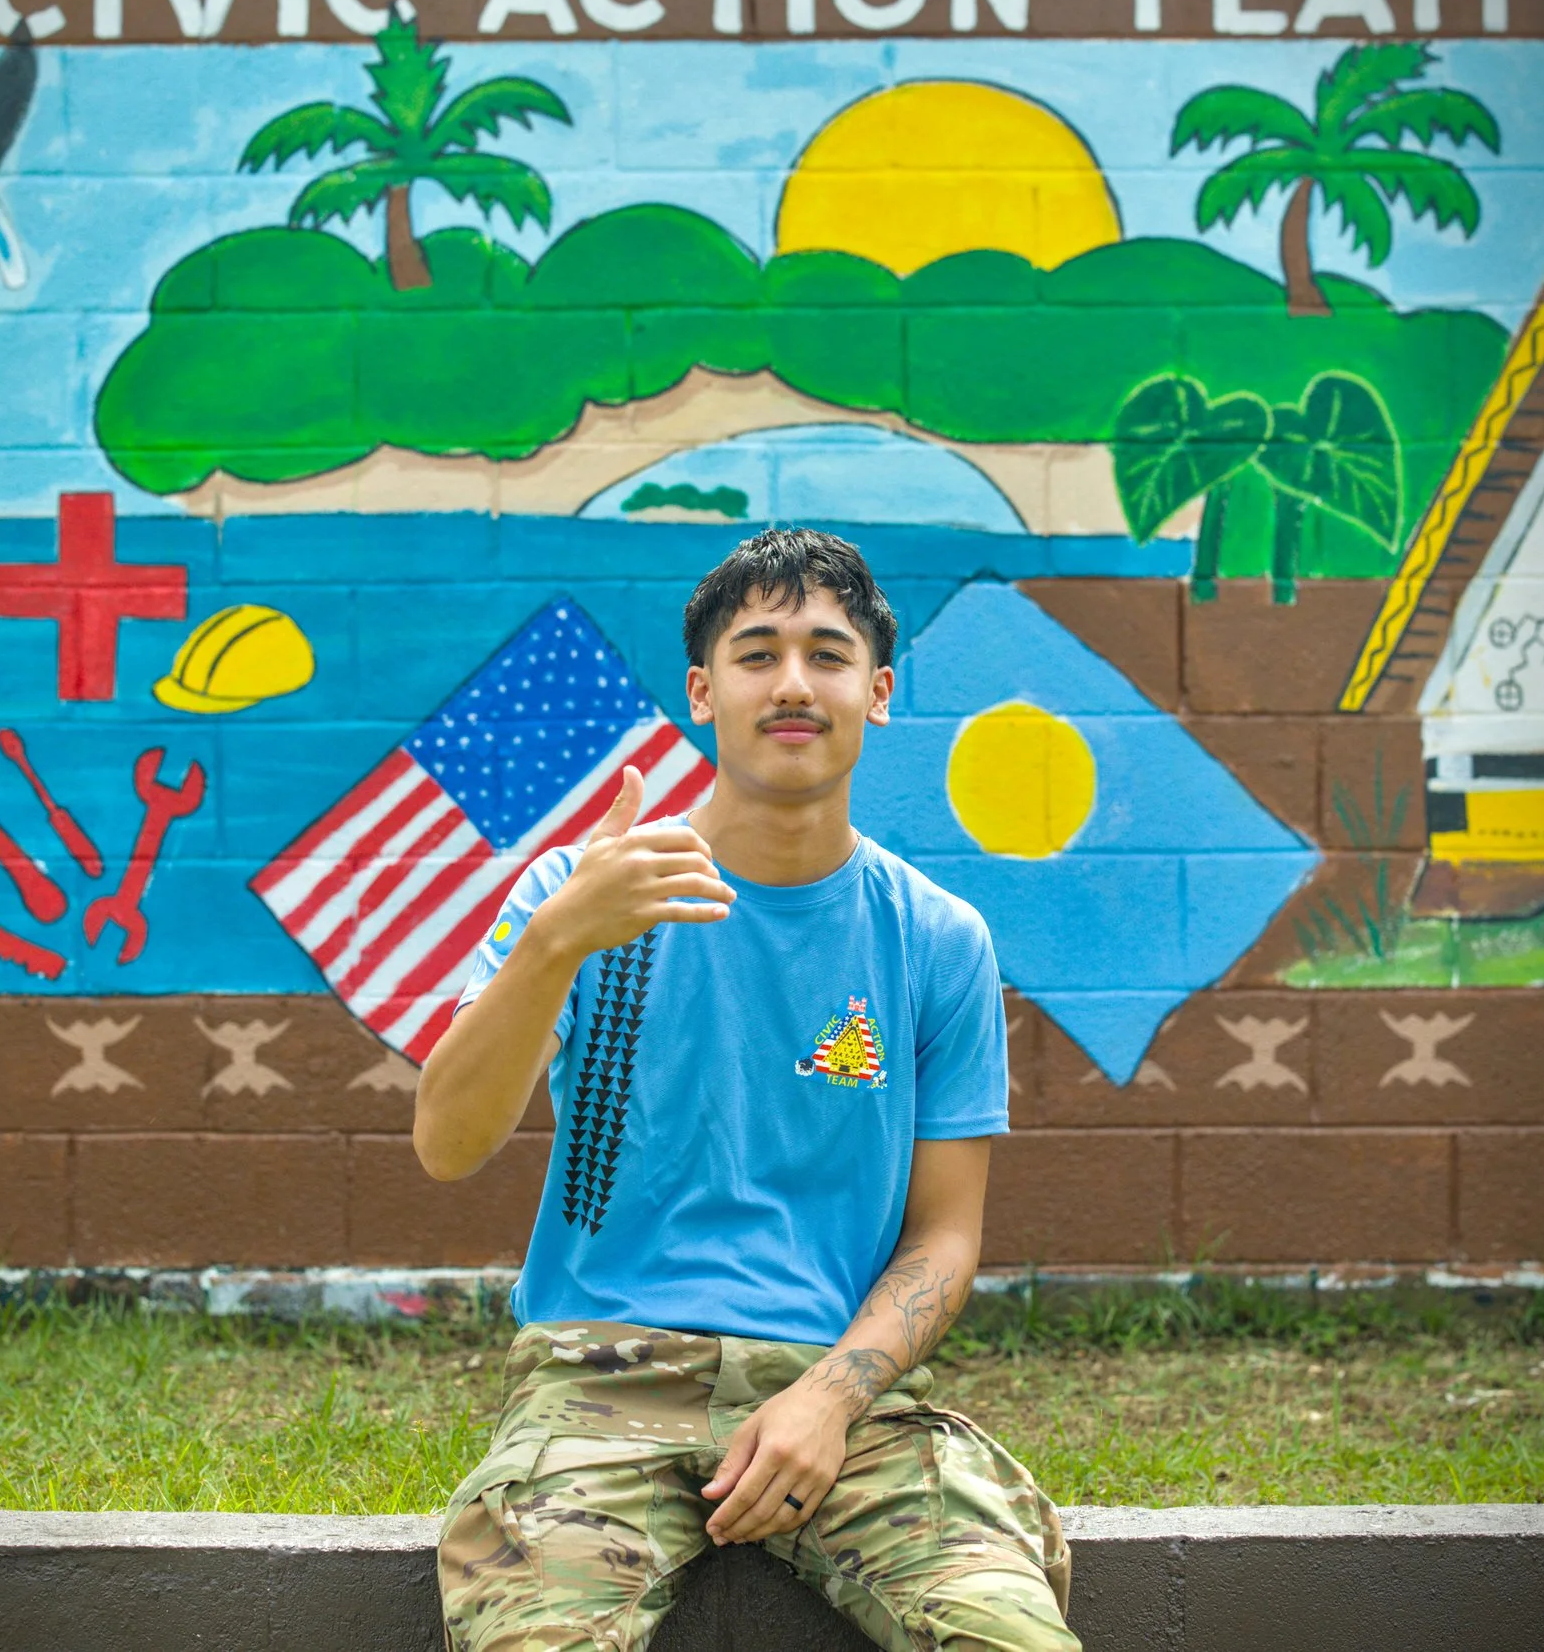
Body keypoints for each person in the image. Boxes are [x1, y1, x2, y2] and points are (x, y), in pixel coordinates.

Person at [417, 529, 1078, 1652]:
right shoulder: (584, 895)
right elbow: (448, 1139)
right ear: (701, 690)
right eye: (755, 651)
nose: (789, 683)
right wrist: (554, 943)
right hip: (598, 1378)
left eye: (826, 653)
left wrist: (832, 1395)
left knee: (1007, 1634)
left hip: (836, 1397)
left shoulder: (936, 938)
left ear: (876, 692)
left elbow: (943, 1236)